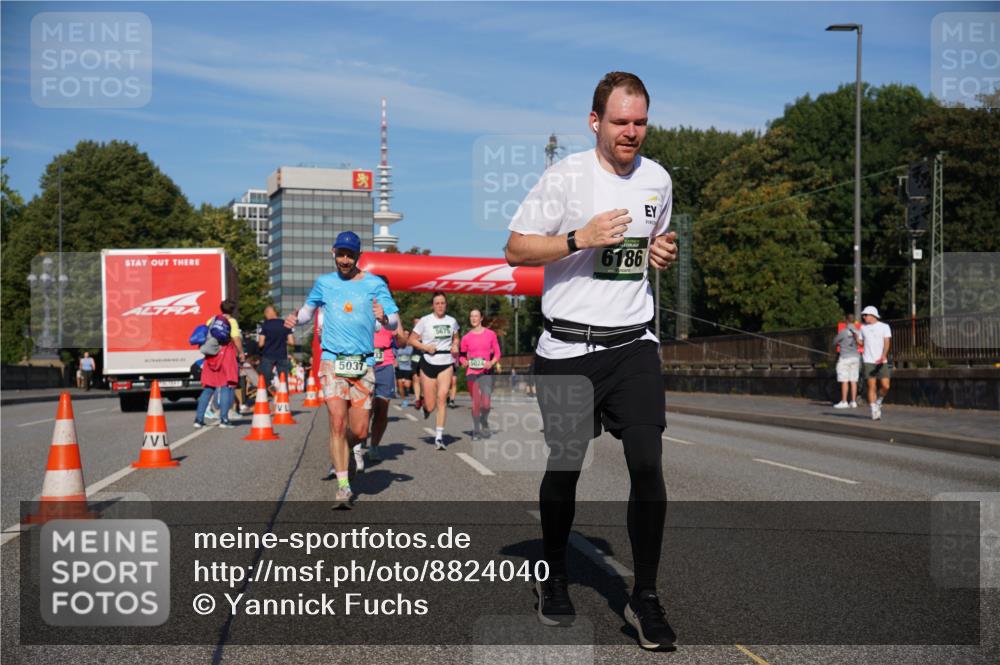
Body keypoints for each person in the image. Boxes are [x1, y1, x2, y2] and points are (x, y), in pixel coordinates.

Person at [505, 72, 679, 650]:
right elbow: (515, 249)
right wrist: (579, 238)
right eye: (620, 121)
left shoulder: (658, 179)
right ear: (595, 122)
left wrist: (660, 251)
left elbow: (649, 245)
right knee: (566, 466)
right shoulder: (566, 177)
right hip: (568, 347)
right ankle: (553, 573)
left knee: (648, 463)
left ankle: (644, 598)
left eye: (640, 122)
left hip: (634, 342)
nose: (631, 132)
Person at [285, 231, 399, 508]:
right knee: (337, 421)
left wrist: (384, 317)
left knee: (359, 431)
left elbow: (394, 322)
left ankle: (343, 450)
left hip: (363, 363)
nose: (345, 260)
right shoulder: (324, 283)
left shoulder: (374, 284)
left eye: (350, 255)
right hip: (332, 360)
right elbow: (307, 312)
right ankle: (343, 486)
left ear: (358, 256)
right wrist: (295, 319)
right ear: (333, 253)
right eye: (341, 254)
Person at [354, 275, 407, 470]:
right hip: (365, 362)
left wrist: (401, 337)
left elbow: (401, 340)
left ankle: (374, 445)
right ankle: (358, 444)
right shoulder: (362, 305)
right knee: (364, 408)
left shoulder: (392, 310)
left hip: (385, 362)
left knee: (382, 408)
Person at [409, 293, 460, 449]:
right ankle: (425, 407)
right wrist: (425, 347)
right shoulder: (425, 320)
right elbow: (411, 339)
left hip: (446, 362)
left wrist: (455, 345)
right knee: (431, 405)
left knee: (442, 397)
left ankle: (439, 437)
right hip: (428, 362)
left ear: (446, 305)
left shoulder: (452, 321)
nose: (440, 306)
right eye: (437, 303)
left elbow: (456, 337)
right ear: (433, 305)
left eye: (443, 303)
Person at [194, 300, 245, 429]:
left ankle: (199, 419)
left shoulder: (212, 320)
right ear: (232, 310)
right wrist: (241, 353)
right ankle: (224, 419)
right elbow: (236, 338)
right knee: (227, 386)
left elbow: (206, 336)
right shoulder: (231, 322)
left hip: (211, 356)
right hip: (226, 355)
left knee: (209, 387)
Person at [460, 309, 502, 440]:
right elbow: (461, 356)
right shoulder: (466, 337)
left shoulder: (490, 334)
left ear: (481, 318)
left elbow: (497, 353)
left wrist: (492, 362)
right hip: (471, 372)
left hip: (486, 372)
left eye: (476, 316)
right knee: (476, 402)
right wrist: (464, 362)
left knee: (486, 404)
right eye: (471, 316)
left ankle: (484, 420)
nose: (473, 319)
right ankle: (476, 430)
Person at [859, 305, 892, 421]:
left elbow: (887, 342)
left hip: (881, 360)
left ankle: (878, 402)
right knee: (871, 386)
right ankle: (873, 409)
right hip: (868, 360)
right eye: (863, 315)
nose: (864, 317)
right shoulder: (862, 328)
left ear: (872, 315)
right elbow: (861, 343)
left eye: (865, 315)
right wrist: (854, 336)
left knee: (886, 386)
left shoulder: (884, 327)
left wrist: (883, 355)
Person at [258, 305, 294, 393]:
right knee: (283, 379)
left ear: (268, 313)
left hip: (268, 355)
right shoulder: (286, 323)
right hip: (282, 355)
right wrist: (282, 341)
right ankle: (284, 399)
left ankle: (266, 396)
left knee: (265, 378)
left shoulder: (265, 325)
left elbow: (261, 343)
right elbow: (291, 342)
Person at [832, 313, 861, 408]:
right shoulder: (858, 331)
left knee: (844, 380)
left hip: (845, 357)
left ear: (847, 321)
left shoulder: (843, 332)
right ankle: (853, 401)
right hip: (856, 357)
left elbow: (834, 342)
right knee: (853, 380)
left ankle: (844, 401)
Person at [395, 334, 415, 408]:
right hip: (399, 368)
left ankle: (409, 393)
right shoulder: (397, 348)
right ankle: (404, 400)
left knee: (407, 385)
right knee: (400, 384)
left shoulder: (410, 348)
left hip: (408, 368)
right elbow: (394, 356)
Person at [410, 316, 424, 410]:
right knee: (415, 378)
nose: (417, 324)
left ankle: (423, 396)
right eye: (416, 323)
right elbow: (408, 342)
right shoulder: (413, 334)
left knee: (424, 379)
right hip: (415, 357)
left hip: (426, 357)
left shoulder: (427, 333)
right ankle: (417, 399)